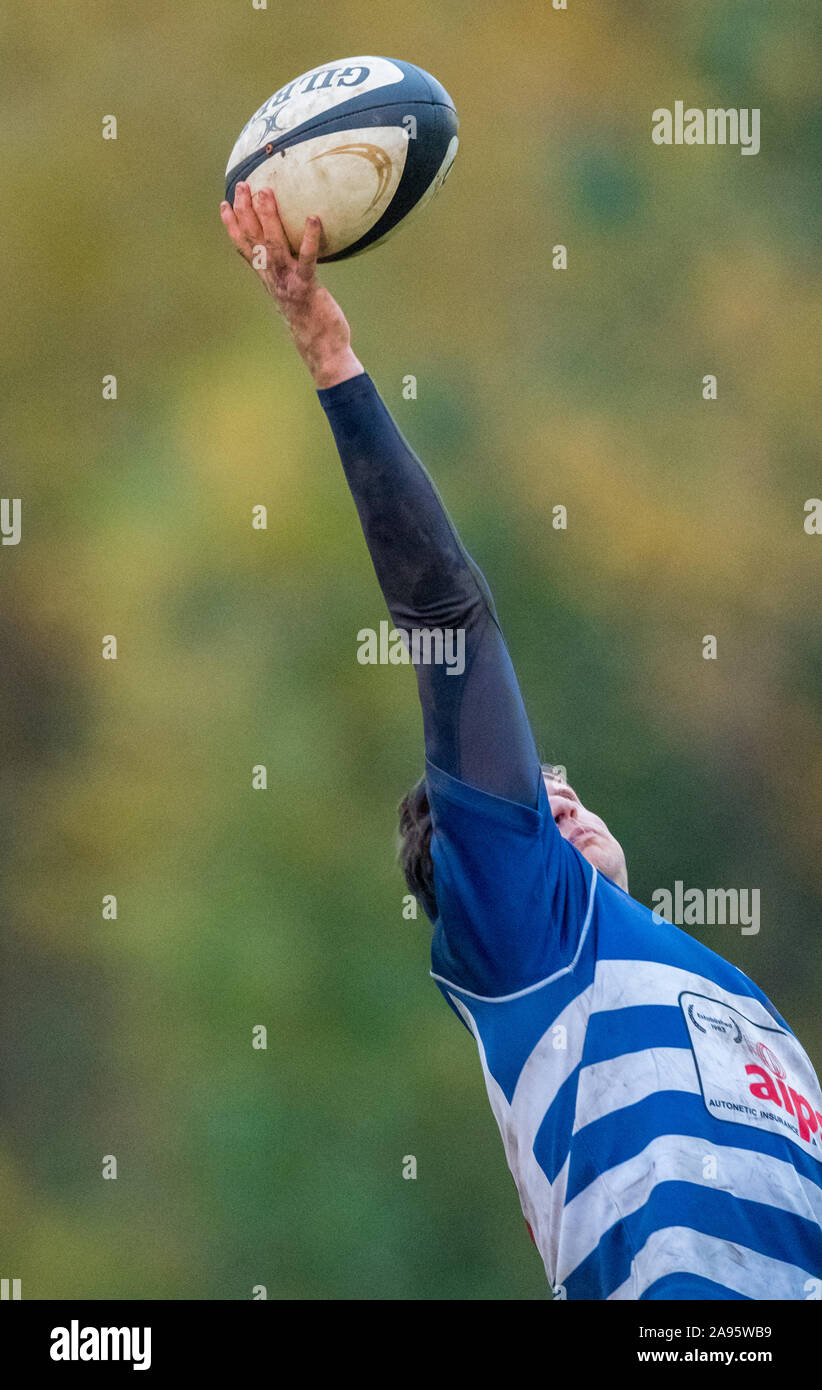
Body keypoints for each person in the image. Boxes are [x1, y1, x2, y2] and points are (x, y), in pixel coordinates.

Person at [220, 184, 822, 1300]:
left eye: (565, 790)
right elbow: (447, 615)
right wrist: (328, 351)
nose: (565, 807)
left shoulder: (748, 1006)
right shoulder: (527, 937)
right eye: (530, 809)